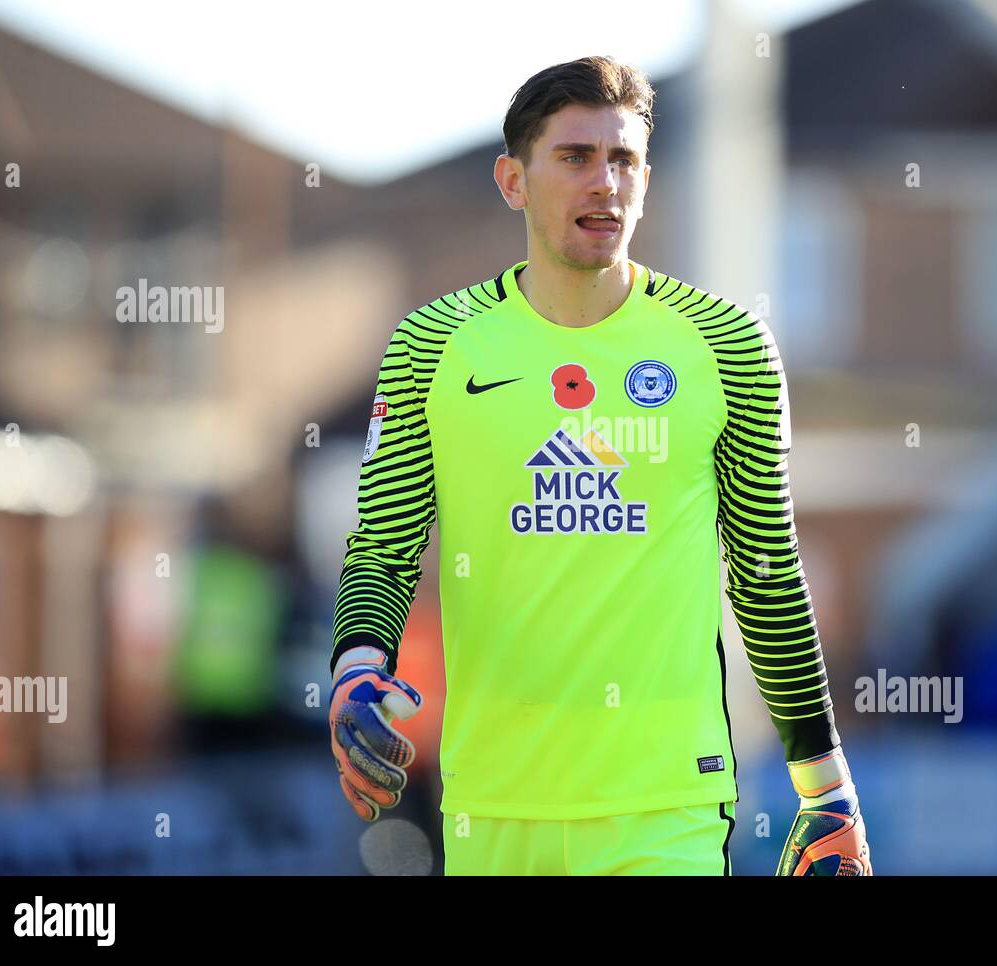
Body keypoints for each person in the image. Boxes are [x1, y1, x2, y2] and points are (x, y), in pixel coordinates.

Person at [328, 55, 870, 876]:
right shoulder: (431, 345)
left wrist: (826, 789)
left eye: (623, 161)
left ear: (647, 180)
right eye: (575, 158)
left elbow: (765, 570)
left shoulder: (729, 346)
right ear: (514, 181)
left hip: (665, 806)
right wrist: (357, 670)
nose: (604, 183)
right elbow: (384, 544)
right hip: (492, 800)